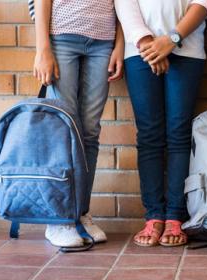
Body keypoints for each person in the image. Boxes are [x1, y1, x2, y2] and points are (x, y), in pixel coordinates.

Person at [115, 0, 207, 247]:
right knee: (149, 135)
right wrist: (147, 43)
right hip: (139, 52)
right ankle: (154, 215)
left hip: (187, 49)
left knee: (179, 135)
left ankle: (175, 215)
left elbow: (205, 2)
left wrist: (171, 39)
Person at [33, 0, 125, 247]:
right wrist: (43, 49)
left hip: (103, 42)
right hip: (62, 37)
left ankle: (81, 213)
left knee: (90, 132)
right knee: (65, 131)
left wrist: (119, 44)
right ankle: (59, 219)